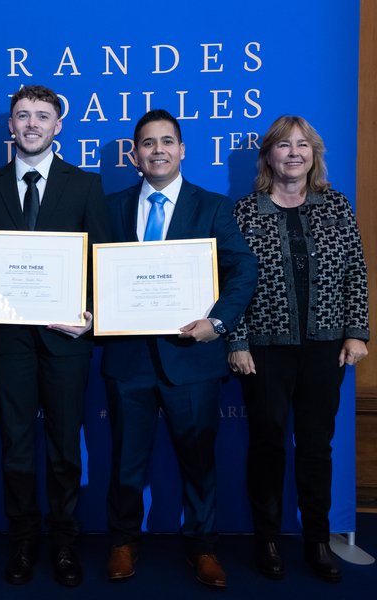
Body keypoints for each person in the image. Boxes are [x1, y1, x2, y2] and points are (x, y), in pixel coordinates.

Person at [0, 84, 112, 587]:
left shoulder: (86, 186)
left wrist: (90, 315)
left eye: (42, 117)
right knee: (15, 447)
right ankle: (23, 542)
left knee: (66, 448)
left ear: (58, 126)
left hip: (66, 339)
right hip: (8, 342)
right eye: (22, 116)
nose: (31, 125)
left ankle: (65, 543)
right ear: (10, 124)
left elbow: (102, 264)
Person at [101, 109, 258, 588]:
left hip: (192, 359)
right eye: (148, 144)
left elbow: (244, 269)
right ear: (134, 155)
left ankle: (202, 548)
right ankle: (124, 542)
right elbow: (90, 273)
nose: (158, 151)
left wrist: (218, 322)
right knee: (126, 460)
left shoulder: (212, 206)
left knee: (199, 462)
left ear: (183, 149)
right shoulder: (110, 207)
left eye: (167, 141)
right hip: (128, 361)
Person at [227, 115, 368, 583]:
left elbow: (355, 274)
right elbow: (233, 283)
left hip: (326, 348)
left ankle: (318, 542)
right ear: (267, 156)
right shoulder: (245, 211)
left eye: (302, 145)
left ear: (314, 154)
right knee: (266, 446)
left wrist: (356, 333)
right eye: (283, 146)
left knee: (315, 449)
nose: (293, 153)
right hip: (264, 350)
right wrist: (238, 340)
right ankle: (266, 541)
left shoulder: (336, 205)